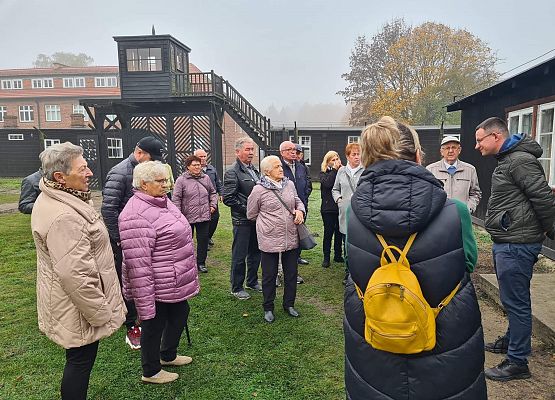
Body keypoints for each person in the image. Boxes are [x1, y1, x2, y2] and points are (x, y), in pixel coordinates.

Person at [344, 117, 487, 399]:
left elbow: (352, 264)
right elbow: (468, 262)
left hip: (376, 331)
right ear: (418, 155)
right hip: (444, 337)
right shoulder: (455, 210)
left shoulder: (353, 211)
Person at [31, 142, 126, 400]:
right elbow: (77, 276)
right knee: (80, 360)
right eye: (82, 168)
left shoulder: (58, 197)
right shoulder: (65, 216)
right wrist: (100, 313)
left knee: (79, 359)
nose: (90, 173)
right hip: (76, 306)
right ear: (60, 177)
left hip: (69, 302)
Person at [475, 117, 555, 382]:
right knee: (513, 299)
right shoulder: (509, 160)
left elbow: (542, 197)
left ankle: (518, 361)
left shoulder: (520, 161)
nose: (477, 146)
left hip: (517, 245)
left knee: (517, 303)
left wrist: (551, 230)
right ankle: (512, 341)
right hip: (509, 241)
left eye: (480, 140)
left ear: (496, 137)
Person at [118, 161, 199, 384]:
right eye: (160, 181)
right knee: (153, 324)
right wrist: (143, 300)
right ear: (144, 184)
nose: (166, 185)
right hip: (155, 282)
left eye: (166, 180)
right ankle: (151, 371)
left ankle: (167, 355)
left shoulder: (162, 202)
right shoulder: (135, 214)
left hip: (173, 278)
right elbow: (137, 263)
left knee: (180, 313)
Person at [101, 135, 165, 349]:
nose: (154, 163)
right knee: (129, 280)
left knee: (146, 278)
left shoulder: (148, 171)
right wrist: (119, 239)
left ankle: (148, 315)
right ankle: (131, 324)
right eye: (151, 159)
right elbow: (108, 209)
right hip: (126, 239)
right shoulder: (119, 173)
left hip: (146, 237)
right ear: (139, 153)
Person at [247, 155, 305, 323]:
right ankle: (268, 307)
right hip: (269, 238)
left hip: (291, 237)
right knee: (269, 275)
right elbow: (251, 213)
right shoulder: (258, 190)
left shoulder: (289, 184)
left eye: (281, 166)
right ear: (267, 171)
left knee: (291, 273)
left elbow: (297, 201)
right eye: (276, 166)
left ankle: (289, 304)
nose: (281, 168)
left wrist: (300, 211)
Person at [222, 137, 262, 300]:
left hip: (256, 220)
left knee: (255, 252)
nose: (251, 152)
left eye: (252, 149)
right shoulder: (232, 171)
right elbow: (228, 198)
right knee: (239, 255)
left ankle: (251, 281)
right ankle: (236, 287)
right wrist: (249, 211)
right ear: (237, 152)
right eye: (247, 149)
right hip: (242, 221)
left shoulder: (254, 170)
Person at [173, 155, 218, 273]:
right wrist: (178, 214)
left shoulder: (206, 178)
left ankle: (201, 263)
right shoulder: (181, 180)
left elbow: (213, 192)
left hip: (204, 215)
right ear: (188, 167)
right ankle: (187, 263)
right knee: (187, 241)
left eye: (199, 164)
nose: (197, 167)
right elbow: (176, 198)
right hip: (187, 216)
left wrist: (213, 205)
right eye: (194, 165)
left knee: (203, 240)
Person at [426, 135, 482, 213]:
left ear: (459, 150)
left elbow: (475, 193)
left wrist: (468, 209)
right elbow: (427, 194)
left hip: (462, 216)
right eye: (447, 148)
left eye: (454, 147)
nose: (451, 151)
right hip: (438, 216)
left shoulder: (470, 170)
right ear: (441, 151)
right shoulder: (431, 170)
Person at [280, 141, 312, 275]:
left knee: (299, 236)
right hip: (285, 211)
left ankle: (296, 259)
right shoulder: (278, 167)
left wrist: (304, 198)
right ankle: (280, 270)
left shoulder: (301, 167)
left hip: (301, 207)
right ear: (282, 152)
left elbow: (307, 184)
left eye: (294, 149)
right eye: (289, 149)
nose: (293, 152)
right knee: (285, 241)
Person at [332, 143, 362, 281]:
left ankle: (360, 271)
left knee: (361, 245)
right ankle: (348, 271)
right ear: (347, 156)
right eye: (354, 154)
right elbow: (335, 189)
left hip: (361, 214)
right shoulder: (341, 171)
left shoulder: (366, 170)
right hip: (345, 214)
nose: (357, 157)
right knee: (347, 244)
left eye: (359, 154)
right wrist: (339, 200)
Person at [194, 148, 223, 247]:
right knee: (203, 222)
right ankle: (203, 242)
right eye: (200, 156)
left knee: (215, 218)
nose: (202, 158)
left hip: (212, 199)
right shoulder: (193, 170)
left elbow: (218, 182)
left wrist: (221, 193)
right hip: (199, 200)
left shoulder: (212, 169)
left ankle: (208, 237)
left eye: (204, 156)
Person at [319, 151, 343, 268]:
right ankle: (326, 257)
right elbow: (328, 184)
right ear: (327, 162)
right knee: (328, 233)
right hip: (328, 208)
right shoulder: (323, 173)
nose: (335, 162)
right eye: (332, 160)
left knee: (339, 232)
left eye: (336, 159)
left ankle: (338, 255)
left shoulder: (342, 172)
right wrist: (334, 170)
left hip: (339, 207)